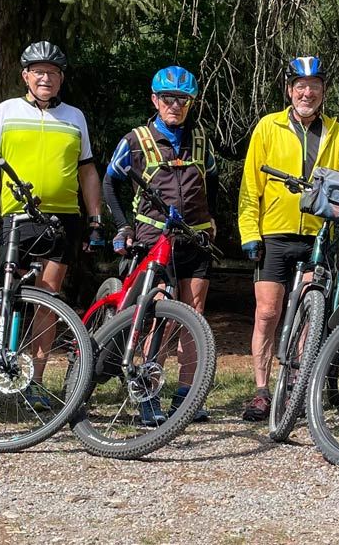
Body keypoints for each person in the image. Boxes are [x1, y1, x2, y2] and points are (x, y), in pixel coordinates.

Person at [0, 40, 103, 411]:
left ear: (61, 79)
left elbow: (87, 170)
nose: (45, 78)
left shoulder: (74, 117)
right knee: (4, 297)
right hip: (18, 217)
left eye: (52, 73)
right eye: (39, 72)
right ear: (25, 76)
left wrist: (95, 216)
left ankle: (34, 381)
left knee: (47, 299)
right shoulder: (7, 110)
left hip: (63, 218)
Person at [236, 56, 339, 422]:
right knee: (267, 313)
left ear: (323, 92)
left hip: (317, 235)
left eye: (315, 87)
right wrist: (249, 232)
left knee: (311, 314)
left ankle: (296, 385)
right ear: (290, 91)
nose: (307, 93)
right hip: (274, 234)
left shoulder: (337, 133)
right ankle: (262, 390)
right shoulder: (269, 126)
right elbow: (250, 185)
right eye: (301, 86)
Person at [104, 65, 216, 425]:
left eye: (183, 99)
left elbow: (211, 181)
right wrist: (123, 226)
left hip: (195, 237)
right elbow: (110, 183)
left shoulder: (201, 139)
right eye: (168, 98)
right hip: (155, 237)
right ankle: (148, 394)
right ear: (155, 100)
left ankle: (187, 396)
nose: (175, 105)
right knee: (162, 316)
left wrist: (212, 218)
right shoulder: (135, 140)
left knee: (195, 315)